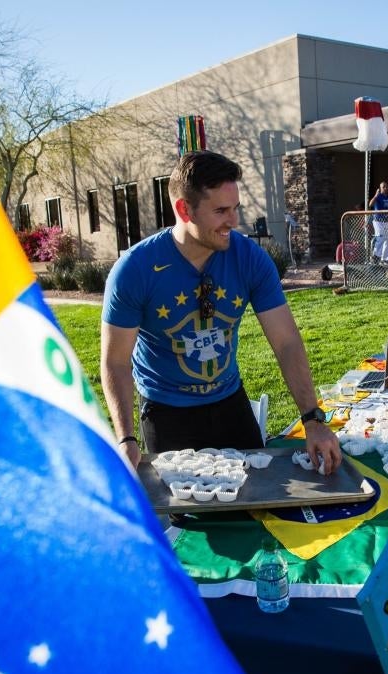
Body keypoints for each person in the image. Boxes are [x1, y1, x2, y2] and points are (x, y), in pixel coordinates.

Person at [101, 150, 341, 474]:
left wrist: (312, 419)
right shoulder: (134, 269)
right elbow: (115, 361)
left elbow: (286, 342)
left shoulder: (250, 259)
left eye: (236, 208)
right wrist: (125, 438)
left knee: (257, 497)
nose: (234, 221)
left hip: (230, 400)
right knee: (188, 515)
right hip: (166, 409)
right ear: (184, 210)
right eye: (221, 211)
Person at [368, 181, 388, 264]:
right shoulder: (378, 196)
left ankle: (385, 259)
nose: (385, 188)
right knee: (380, 238)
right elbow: (370, 204)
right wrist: (376, 195)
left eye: (386, 186)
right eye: (383, 187)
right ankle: (375, 256)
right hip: (378, 221)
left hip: (386, 221)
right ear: (380, 188)